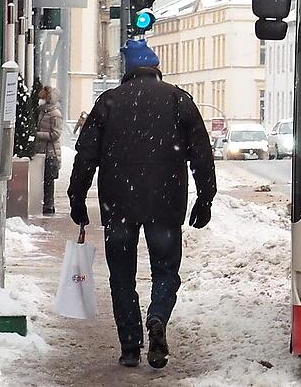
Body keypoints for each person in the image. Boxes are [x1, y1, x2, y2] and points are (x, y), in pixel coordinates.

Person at [68, 39, 216, 369]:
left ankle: (130, 348)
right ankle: (158, 315)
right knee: (166, 271)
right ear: (155, 68)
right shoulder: (179, 101)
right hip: (166, 203)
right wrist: (205, 198)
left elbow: (85, 157)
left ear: (128, 71)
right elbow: (202, 156)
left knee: (122, 277)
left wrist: (77, 199)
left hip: (118, 205)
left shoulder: (107, 103)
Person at [34, 85, 64, 215]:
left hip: (50, 153)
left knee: (48, 180)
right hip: (42, 152)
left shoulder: (55, 114)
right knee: (43, 180)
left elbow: (55, 134)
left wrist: (37, 134)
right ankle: (45, 205)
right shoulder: (42, 112)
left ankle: (48, 206)